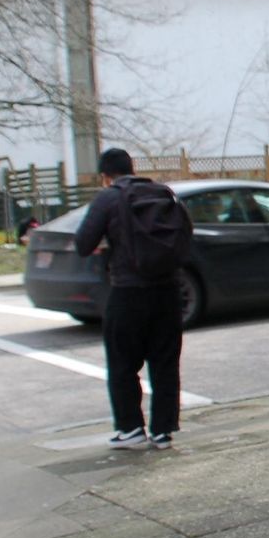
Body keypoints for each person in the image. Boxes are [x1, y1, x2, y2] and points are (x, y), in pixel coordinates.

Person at [75, 148, 192, 450]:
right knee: (165, 362)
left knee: (123, 362)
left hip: (128, 291)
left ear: (105, 176)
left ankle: (131, 428)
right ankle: (164, 430)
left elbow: (83, 244)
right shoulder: (163, 193)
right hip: (167, 289)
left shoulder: (108, 198)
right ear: (133, 167)